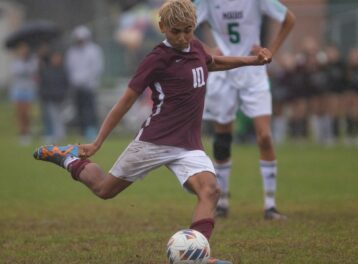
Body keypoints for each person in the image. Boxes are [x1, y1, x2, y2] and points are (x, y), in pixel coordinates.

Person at [34, 0, 271, 263]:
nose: (182, 37)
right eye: (176, 31)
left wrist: (253, 60)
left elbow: (213, 62)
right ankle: (69, 158)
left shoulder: (195, 46)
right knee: (104, 189)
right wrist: (98, 142)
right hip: (154, 141)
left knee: (210, 191)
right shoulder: (156, 59)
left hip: (189, 144)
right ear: (162, 27)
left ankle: (195, 257)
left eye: (188, 30)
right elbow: (124, 104)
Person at [194, 0, 295, 220]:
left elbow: (289, 19)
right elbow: (183, 24)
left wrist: (271, 51)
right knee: (222, 140)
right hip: (222, 70)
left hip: (253, 70)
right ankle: (223, 202)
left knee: (265, 136)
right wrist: (208, 50)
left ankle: (270, 205)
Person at [66, 25, 104, 141]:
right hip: (76, 86)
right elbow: (70, 68)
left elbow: (96, 68)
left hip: (89, 85)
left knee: (90, 109)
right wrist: (75, 80)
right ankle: (82, 130)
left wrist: (84, 79)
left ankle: (91, 130)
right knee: (79, 109)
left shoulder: (94, 50)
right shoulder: (72, 52)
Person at [8, 42, 38, 146]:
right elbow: (16, 72)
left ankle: (27, 132)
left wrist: (27, 68)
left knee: (27, 113)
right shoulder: (16, 62)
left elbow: (33, 71)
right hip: (18, 90)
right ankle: (22, 133)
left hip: (28, 90)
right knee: (20, 113)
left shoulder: (32, 60)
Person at [38, 47, 69, 143]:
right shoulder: (46, 70)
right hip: (49, 97)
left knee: (59, 117)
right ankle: (54, 134)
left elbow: (66, 84)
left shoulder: (63, 70)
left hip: (60, 97)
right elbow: (43, 84)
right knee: (52, 117)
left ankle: (60, 134)